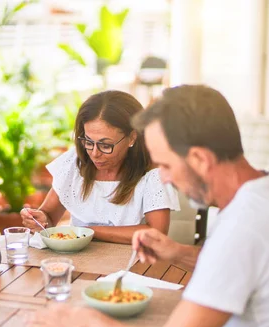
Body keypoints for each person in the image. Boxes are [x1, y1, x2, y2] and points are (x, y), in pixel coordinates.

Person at [25, 85, 269, 327]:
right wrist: (177, 252)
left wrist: (84, 320)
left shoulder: (244, 226)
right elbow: (246, 267)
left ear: (199, 158)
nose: (166, 179)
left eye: (167, 166)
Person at [21, 90, 179, 244]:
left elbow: (156, 233)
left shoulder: (153, 171)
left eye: (105, 144)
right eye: (88, 142)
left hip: (135, 263)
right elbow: (48, 216)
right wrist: (39, 219)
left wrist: (91, 231)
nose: (94, 153)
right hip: (80, 263)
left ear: (132, 137)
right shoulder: (75, 162)